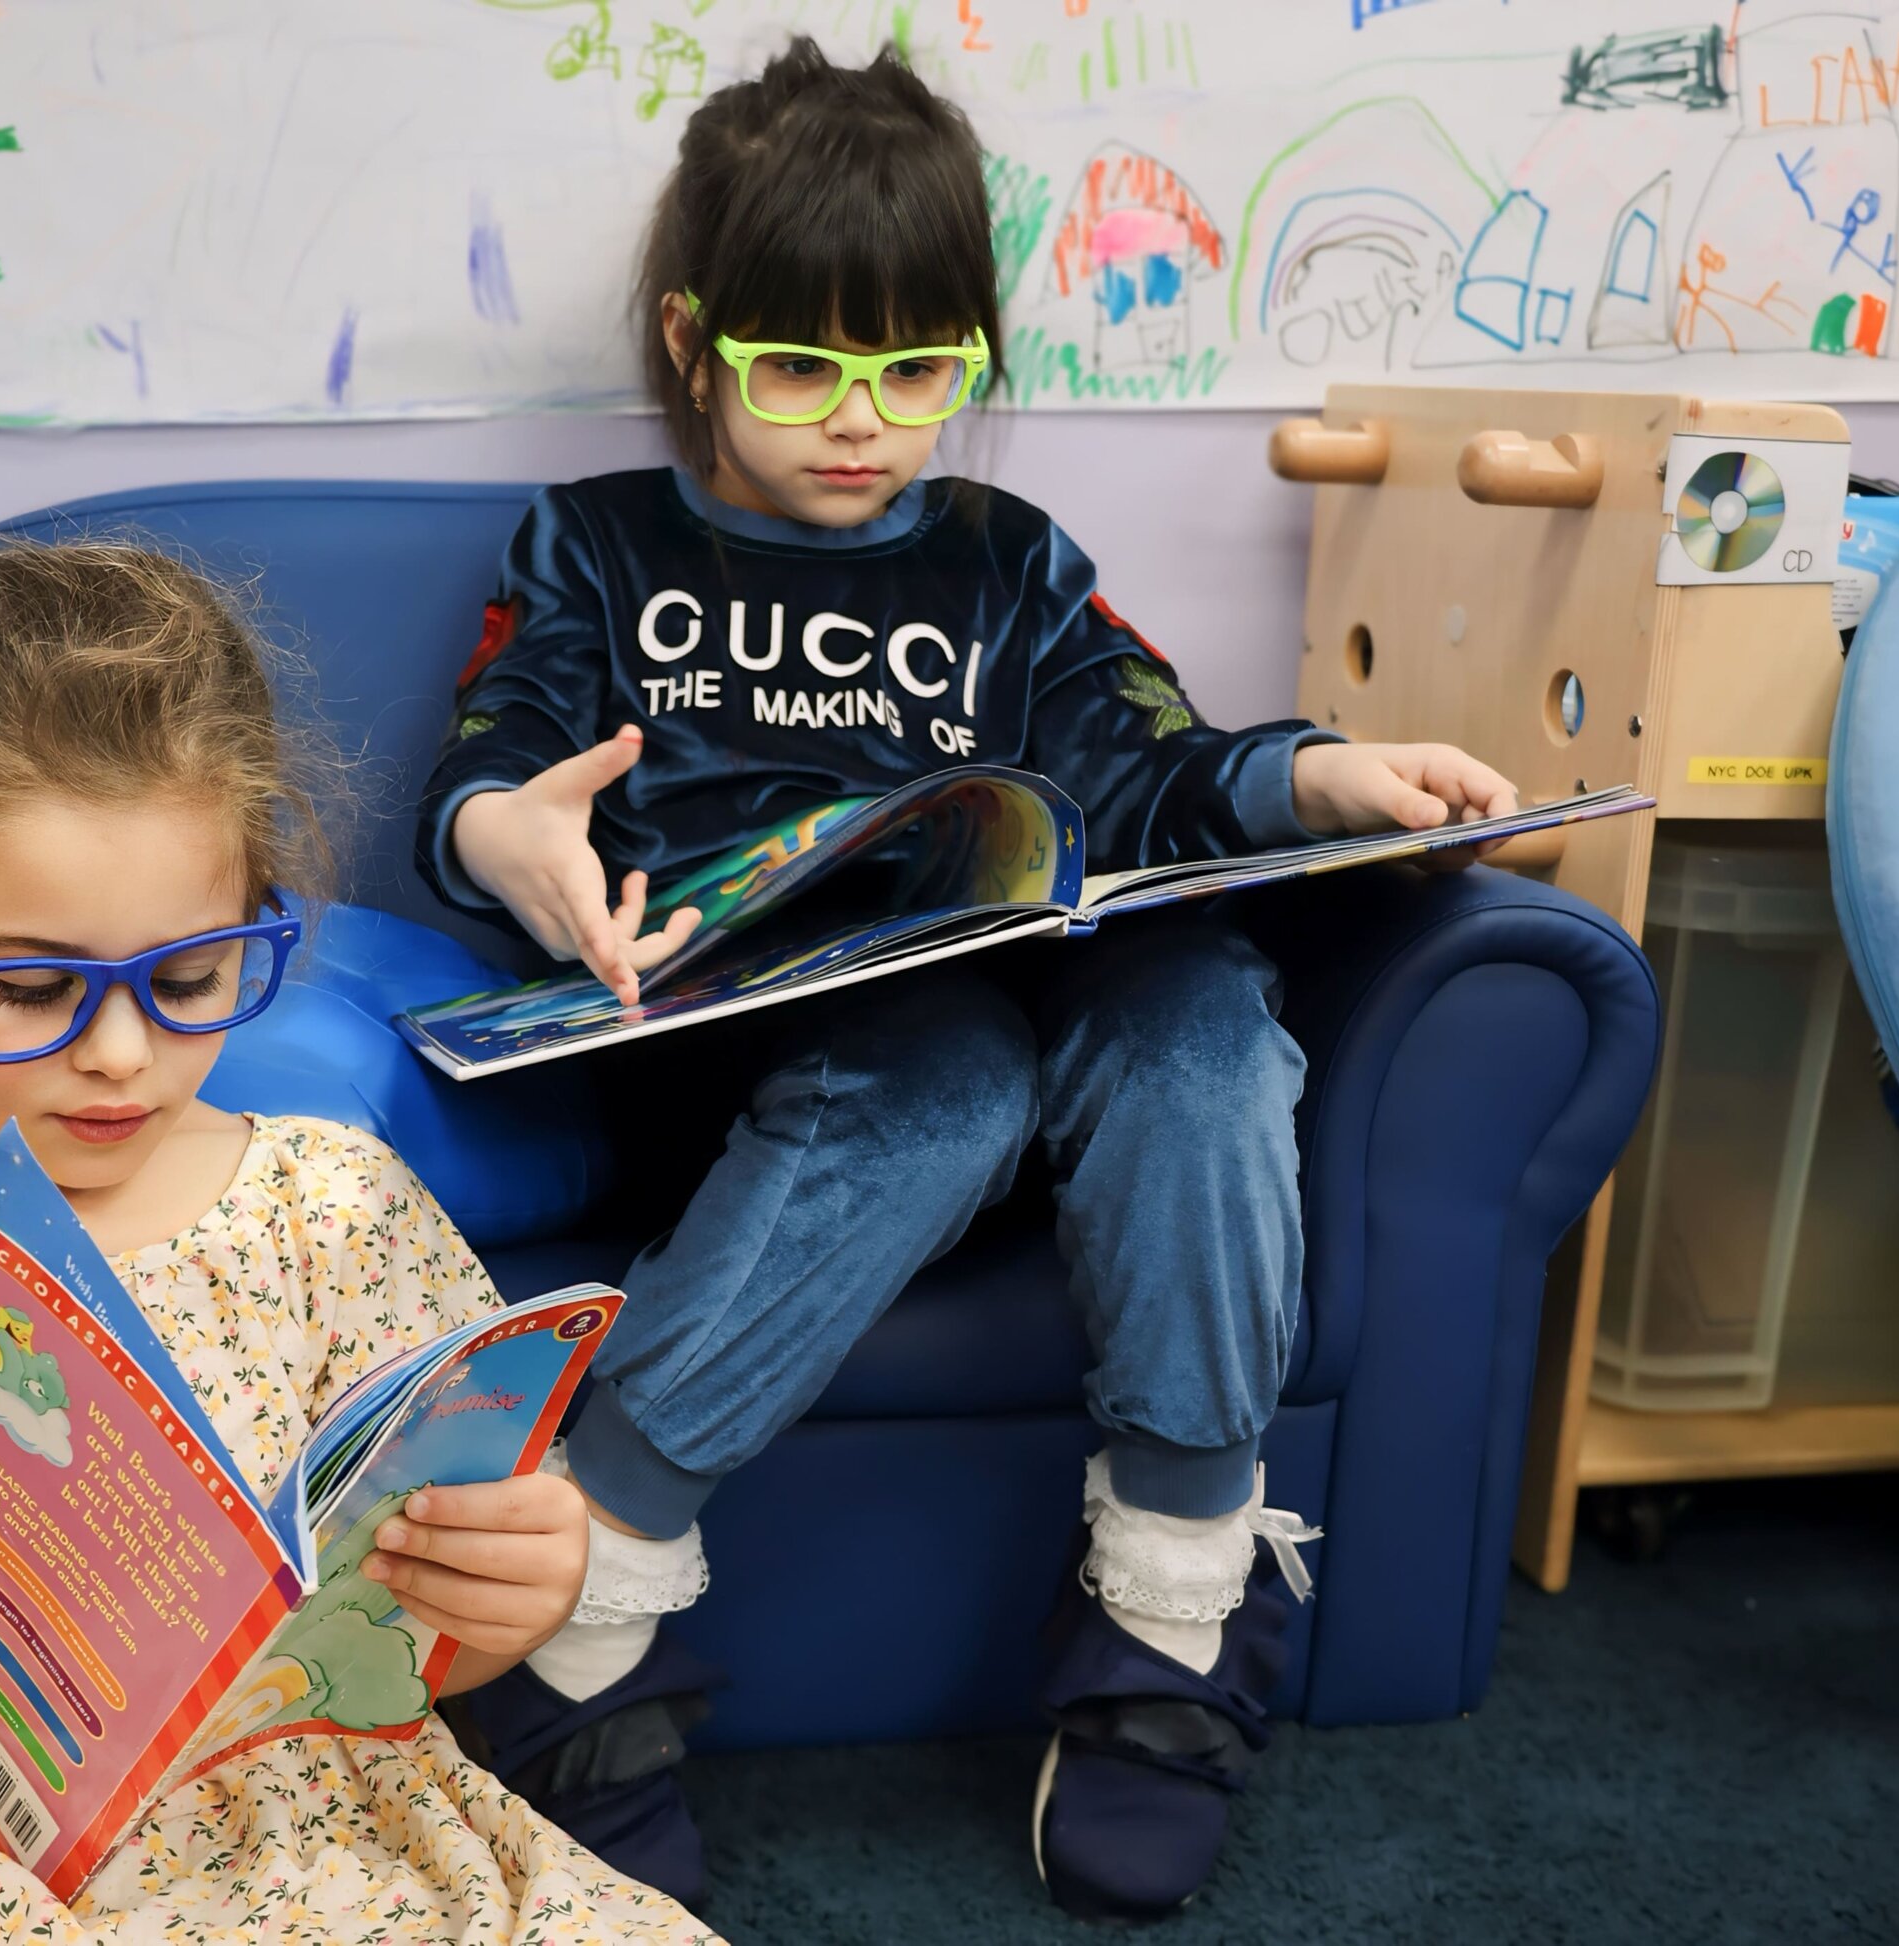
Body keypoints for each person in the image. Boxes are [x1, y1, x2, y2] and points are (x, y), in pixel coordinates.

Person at [415, 38, 1520, 1920]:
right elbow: (493, 765)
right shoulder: (597, 544)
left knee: (1197, 1013)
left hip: (1026, 1029)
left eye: (917, 372)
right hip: (751, 1069)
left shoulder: (1010, 567)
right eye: (801, 371)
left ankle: (1175, 1592)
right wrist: (515, 840)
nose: (862, 423)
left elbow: (1151, 755)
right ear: (695, 344)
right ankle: (587, 1596)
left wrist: (1320, 771)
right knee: (939, 1060)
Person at [0, 542, 715, 1946]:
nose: (117, 1055)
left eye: (185, 977)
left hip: (301, 1832)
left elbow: (412, 1642)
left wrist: (519, 1590)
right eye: (33, 984)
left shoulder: (329, 1209)